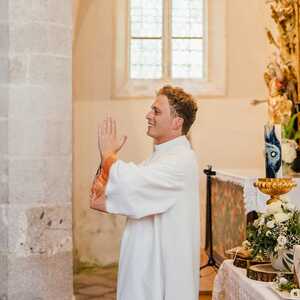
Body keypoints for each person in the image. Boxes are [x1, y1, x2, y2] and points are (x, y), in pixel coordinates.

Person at [90, 85, 200, 300]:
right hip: (145, 263)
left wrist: (109, 156)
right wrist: (107, 159)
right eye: (151, 109)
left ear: (177, 123)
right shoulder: (160, 157)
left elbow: (132, 183)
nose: (148, 115)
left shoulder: (180, 160)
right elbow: (110, 193)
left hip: (159, 269)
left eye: (157, 111)